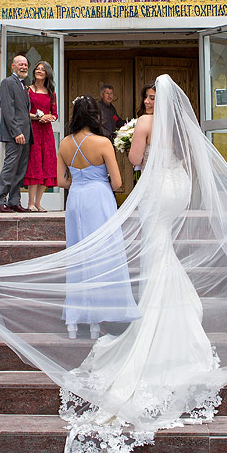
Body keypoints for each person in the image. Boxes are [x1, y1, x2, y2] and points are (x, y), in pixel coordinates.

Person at [0, 75, 227, 453]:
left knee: (106, 254)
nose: (148, 102)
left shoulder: (97, 137)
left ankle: (108, 313)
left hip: (90, 197)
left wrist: (134, 143)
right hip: (174, 187)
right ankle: (157, 304)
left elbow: (131, 162)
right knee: (152, 249)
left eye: (150, 97)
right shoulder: (177, 128)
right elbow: (131, 174)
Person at [57, 96, 140, 340]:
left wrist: (79, 181)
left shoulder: (63, 144)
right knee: (103, 255)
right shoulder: (103, 143)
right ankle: (97, 319)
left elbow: (61, 181)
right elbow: (117, 182)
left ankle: (74, 320)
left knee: (78, 257)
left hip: (76, 200)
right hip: (99, 199)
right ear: (95, 116)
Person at [0, 54, 31, 213]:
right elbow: (8, 110)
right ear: (13, 66)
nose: (23, 67)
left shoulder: (23, 85)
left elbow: (22, 111)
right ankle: (0, 202)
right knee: (9, 169)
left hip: (26, 136)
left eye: (25, 65)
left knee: (20, 171)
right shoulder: (8, 82)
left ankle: (14, 201)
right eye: (20, 64)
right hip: (15, 135)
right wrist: (17, 132)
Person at [22, 60, 58, 212]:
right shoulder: (28, 90)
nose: (40, 71)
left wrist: (48, 117)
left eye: (43, 69)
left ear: (47, 73)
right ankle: (30, 203)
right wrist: (38, 117)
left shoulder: (51, 93)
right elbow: (23, 112)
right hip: (34, 130)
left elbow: (55, 114)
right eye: (37, 69)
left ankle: (38, 203)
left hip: (47, 132)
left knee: (47, 164)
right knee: (34, 165)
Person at [129, 83, 156, 172]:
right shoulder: (179, 124)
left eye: (152, 98)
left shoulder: (145, 121)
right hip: (180, 179)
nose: (146, 101)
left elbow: (135, 160)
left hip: (154, 178)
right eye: (146, 97)